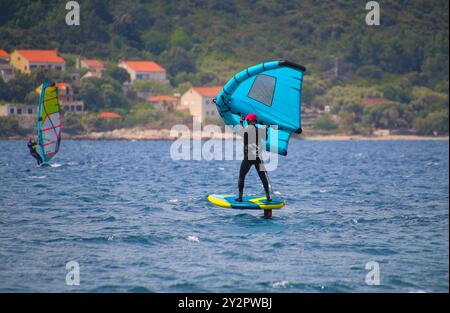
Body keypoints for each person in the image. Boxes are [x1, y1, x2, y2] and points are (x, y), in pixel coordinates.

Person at [236, 113, 271, 202]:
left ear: (249, 121)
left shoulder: (248, 128)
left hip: (248, 157)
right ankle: (268, 197)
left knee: (241, 176)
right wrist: (266, 129)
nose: (247, 122)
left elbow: (240, 132)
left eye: (247, 120)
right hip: (258, 157)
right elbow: (265, 138)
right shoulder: (259, 130)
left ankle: (240, 197)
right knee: (263, 177)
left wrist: (240, 121)